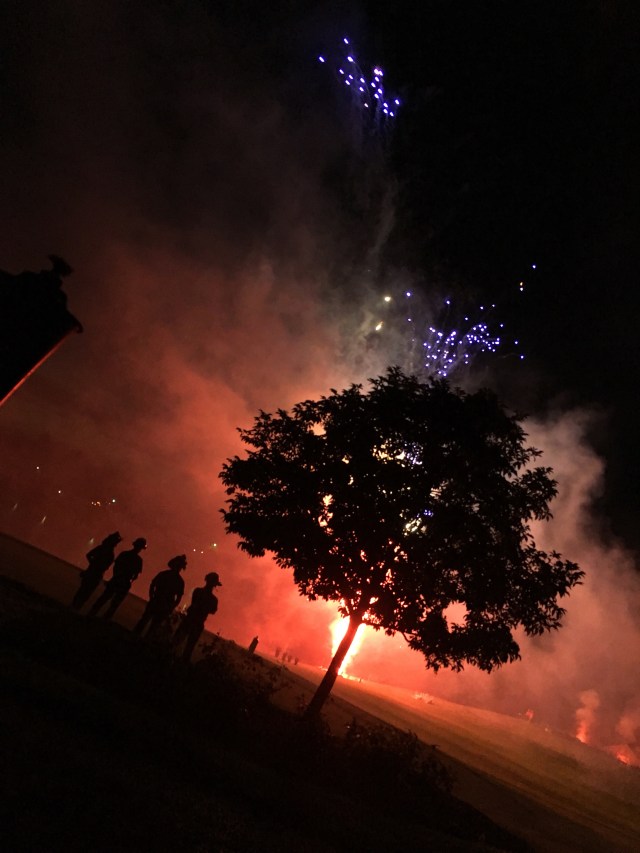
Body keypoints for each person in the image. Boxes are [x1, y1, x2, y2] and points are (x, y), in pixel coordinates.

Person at [88, 537, 146, 620]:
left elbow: (116, 567)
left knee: (104, 598)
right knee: (114, 604)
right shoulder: (138, 560)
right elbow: (136, 575)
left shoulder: (124, 554)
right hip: (124, 583)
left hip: (116, 580)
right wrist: (129, 580)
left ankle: (91, 614)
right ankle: (104, 619)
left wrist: (117, 576)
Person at [171, 571, 222, 662]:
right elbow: (213, 610)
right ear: (215, 585)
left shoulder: (198, 591)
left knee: (177, 643)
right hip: (196, 622)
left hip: (190, 620)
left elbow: (198, 604)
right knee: (187, 647)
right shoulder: (212, 599)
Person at [133, 554, 187, 637]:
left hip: (158, 601)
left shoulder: (165, 574)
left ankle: (135, 637)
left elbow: (153, 585)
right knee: (153, 626)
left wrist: (152, 597)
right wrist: (170, 607)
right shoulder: (179, 581)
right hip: (163, 604)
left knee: (145, 622)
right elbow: (178, 598)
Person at [71, 531, 122, 610]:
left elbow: (89, 555)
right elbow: (105, 567)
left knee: (81, 591)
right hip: (96, 575)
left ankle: (73, 606)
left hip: (90, 572)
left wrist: (93, 563)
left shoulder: (102, 548)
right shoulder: (110, 554)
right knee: (86, 593)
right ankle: (76, 607)